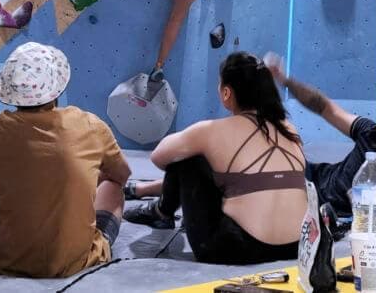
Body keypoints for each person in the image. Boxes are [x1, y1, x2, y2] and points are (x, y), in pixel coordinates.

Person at [0, 42, 131, 278]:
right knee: (113, 186)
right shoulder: (92, 126)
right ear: (58, 86)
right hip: (81, 262)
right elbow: (121, 175)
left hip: (3, 263)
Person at [125, 52, 306, 265]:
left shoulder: (212, 130)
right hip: (297, 247)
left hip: (241, 250)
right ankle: (159, 209)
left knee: (187, 158)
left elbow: (159, 157)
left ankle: (162, 212)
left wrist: (209, 158)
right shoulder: (289, 129)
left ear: (226, 92)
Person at [266, 64, 376, 226]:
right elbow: (325, 107)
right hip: (312, 180)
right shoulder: (371, 133)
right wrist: (285, 80)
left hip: (332, 216)